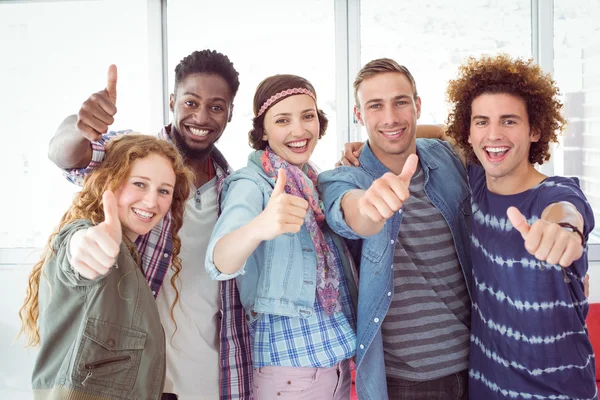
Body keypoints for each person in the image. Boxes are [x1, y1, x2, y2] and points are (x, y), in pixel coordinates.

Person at [47, 50, 251, 400]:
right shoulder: (136, 157)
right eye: (190, 102)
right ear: (172, 101)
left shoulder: (235, 190)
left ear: (230, 114)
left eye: (217, 107)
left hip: (214, 376)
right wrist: (78, 127)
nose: (201, 116)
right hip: (136, 378)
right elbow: (66, 154)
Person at [317, 58, 472, 400]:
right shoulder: (343, 178)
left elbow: (469, 131)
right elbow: (350, 210)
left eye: (401, 102)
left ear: (417, 105)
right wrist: (371, 205)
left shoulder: (448, 158)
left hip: (479, 364)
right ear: (359, 116)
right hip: (407, 382)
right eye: (375, 106)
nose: (389, 117)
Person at [444, 54, 596, 399]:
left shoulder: (555, 193)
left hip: (558, 392)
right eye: (481, 121)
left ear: (535, 129)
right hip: (485, 388)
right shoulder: (476, 181)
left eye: (509, 121)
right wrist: (376, 142)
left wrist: (565, 232)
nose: (493, 134)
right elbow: (433, 133)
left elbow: (568, 212)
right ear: (467, 131)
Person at [205, 74, 359, 400]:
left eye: (308, 116)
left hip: (337, 365)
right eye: (282, 120)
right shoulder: (252, 183)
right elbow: (219, 260)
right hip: (289, 375)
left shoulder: (314, 182)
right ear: (263, 131)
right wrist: (259, 227)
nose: (299, 130)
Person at [19, 134, 193, 399]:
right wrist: (86, 248)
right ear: (109, 181)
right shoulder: (85, 234)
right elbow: (78, 250)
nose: (151, 201)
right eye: (139, 184)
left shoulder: (130, 255)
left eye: (163, 190)